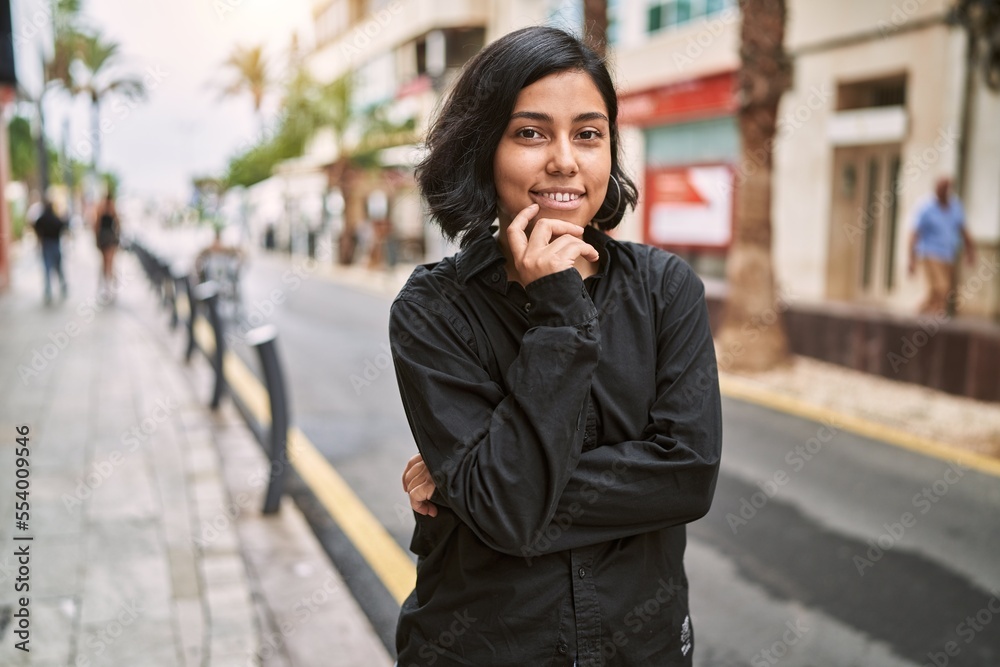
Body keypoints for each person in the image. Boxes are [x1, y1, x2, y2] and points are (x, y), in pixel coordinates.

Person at [390, 27, 722, 667]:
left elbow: (686, 475)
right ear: (483, 148)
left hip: (640, 649)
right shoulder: (433, 308)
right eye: (531, 133)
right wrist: (560, 311)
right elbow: (505, 508)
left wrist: (474, 486)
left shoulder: (664, 290)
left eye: (589, 134)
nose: (565, 160)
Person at [908, 176, 976, 315]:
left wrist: (970, 251)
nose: (942, 192)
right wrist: (911, 258)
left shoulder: (956, 207)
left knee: (940, 293)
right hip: (929, 253)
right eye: (939, 189)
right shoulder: (925, 207)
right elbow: (914, 233)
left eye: (945, 189)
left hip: (949, 254)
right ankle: (934, 321)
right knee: (941, 288)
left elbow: (963, 230)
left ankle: (919, 315)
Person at [33, 200, 68, 303]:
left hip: (46, 244)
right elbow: (62, 226)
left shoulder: (42, 219)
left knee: (47, 269)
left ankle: (48, 291)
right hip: (55, 244)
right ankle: (63, 286)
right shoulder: (55, 218)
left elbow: (36, 226)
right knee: (59, 268)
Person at [94, 194, 121, 286]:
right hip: (108, 237)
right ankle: (108, 281)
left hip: (105, 237)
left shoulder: (103, 208)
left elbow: (97, 225)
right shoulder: (110, 209)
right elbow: (118, 224)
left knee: (107, 262)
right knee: (108, 262)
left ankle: (108, 281)